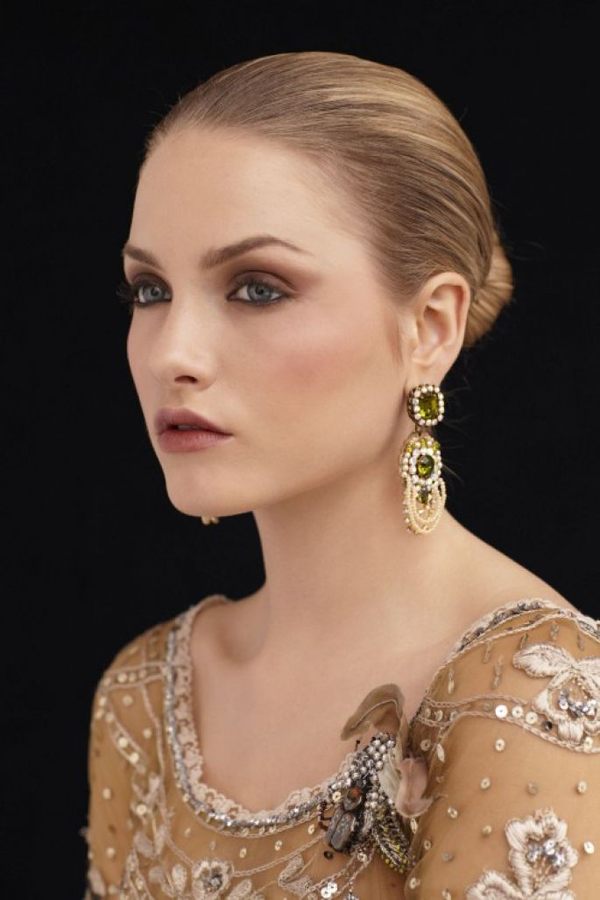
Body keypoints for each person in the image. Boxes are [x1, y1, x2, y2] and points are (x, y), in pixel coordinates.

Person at [80, 51, 599, 899]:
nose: (172, 352)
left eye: (256, 288)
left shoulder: (532, 698)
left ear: (430, 327)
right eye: (150, 290)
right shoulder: (146, 695)